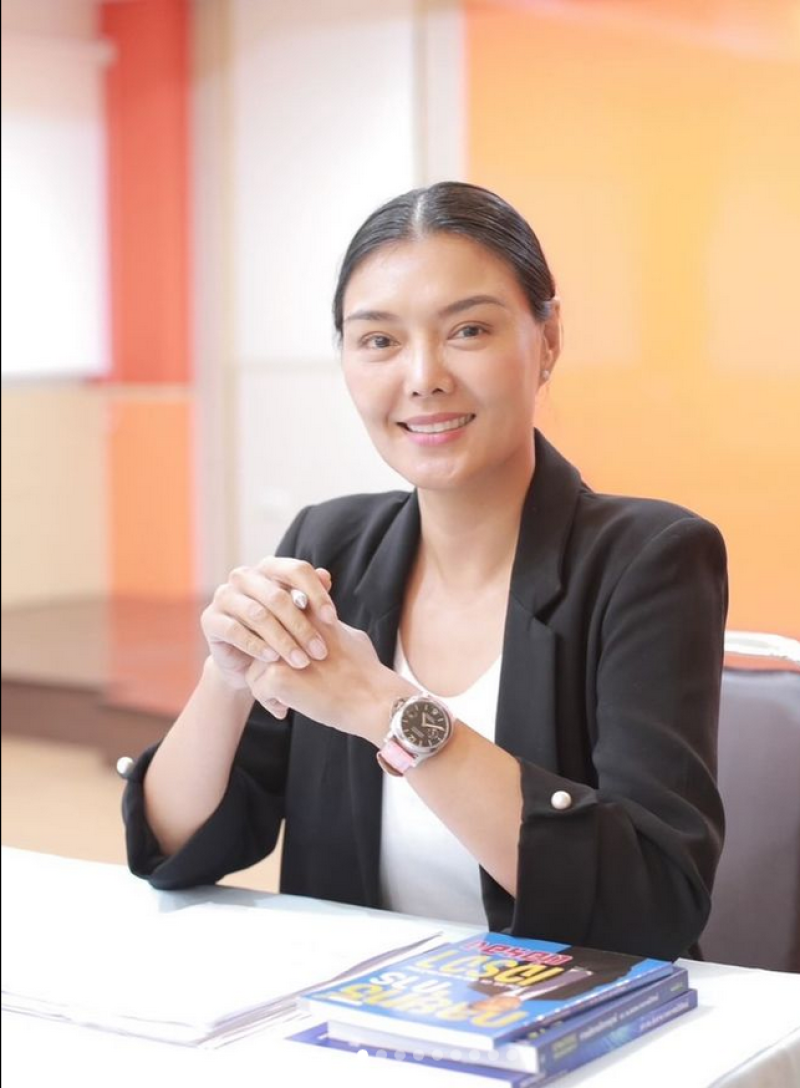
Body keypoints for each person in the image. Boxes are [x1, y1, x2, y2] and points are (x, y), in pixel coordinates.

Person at [123, 181, 727, 962]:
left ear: (547, 340)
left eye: (468, 330)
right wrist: (228, 678)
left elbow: (653, 901)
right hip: (355, 1013)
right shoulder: (329, 545)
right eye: (379, 340)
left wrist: (383, 707)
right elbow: (175, 852)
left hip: (574, 1015)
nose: (423, 376)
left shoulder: (649, 558)